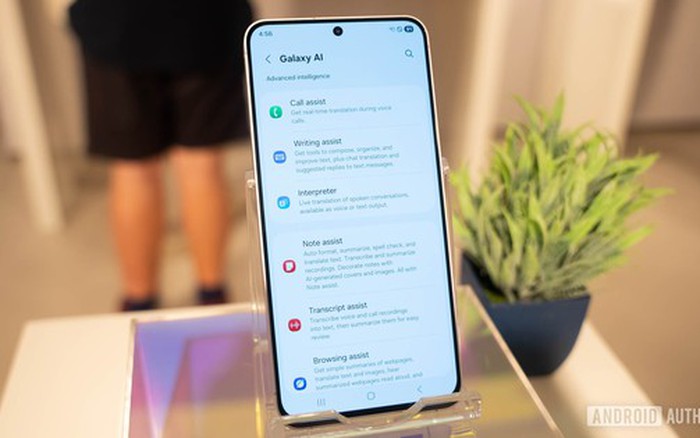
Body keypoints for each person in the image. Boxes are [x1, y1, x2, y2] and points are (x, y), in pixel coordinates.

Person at [68, 0, 253, 310]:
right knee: (201, 165)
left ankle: (139, 303)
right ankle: (212, 297)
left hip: (116, 20)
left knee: (133, 168)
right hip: (204, 22)